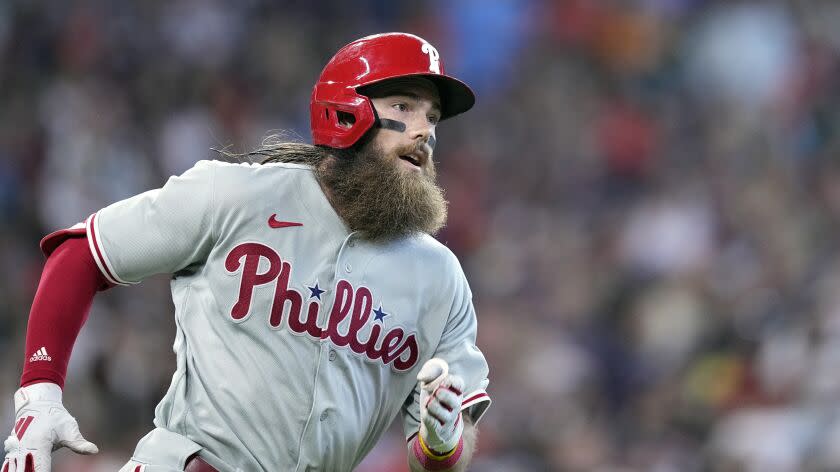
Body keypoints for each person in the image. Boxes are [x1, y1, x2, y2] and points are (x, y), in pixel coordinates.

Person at [2, 32, 491, 472]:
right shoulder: (238, 195)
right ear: (346, 110)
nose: (424, 130)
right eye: (404, 107)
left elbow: (442, 457)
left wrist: (441, 442)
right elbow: (82, 253)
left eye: (432, 117)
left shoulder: (440, 277)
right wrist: (40, 390)